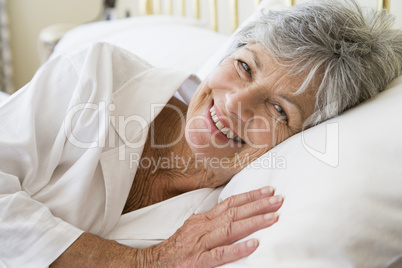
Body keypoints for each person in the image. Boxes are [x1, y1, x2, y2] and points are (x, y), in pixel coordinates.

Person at [1, 0, 401, 267]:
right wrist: (143, 262)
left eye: (280, 109)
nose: (235, 104)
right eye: (245, 66)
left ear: (300, 137)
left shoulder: (229, 218)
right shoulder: (96, 75)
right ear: (228, 53)